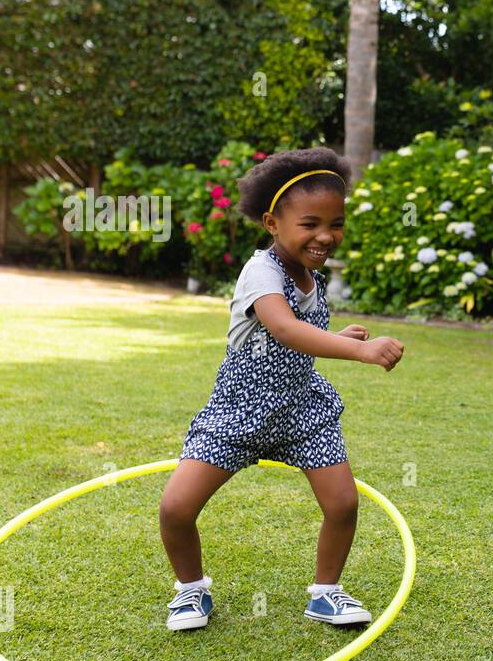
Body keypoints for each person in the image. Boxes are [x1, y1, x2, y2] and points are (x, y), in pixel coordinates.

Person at [158, 147, 404, 631]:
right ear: (272, 223)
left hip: (301, 409)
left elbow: (304, 333)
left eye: (336, 224)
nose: (325, 236)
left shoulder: (310, 273)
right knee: (175, 507)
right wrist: (359, 351)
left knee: (344, 504)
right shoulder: (262, 272)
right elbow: (285, 329)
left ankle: (326, 593)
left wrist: (336, 339)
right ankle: (190, 591)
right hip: (239, 410)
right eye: (310, 223)